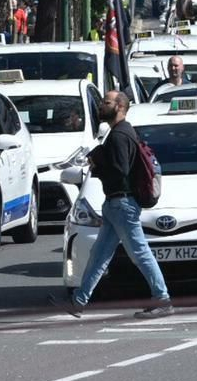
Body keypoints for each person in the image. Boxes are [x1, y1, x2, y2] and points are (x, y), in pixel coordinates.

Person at [49, 90, 173, 320]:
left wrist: (98, 166)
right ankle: (78, 301)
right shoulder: (122, 133)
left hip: (122, 204)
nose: (101, 106)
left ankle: (163, 299)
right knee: (99, 255)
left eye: (106, 102)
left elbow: (120, 171)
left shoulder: (119, 136)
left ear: (120, 107)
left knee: (140, 253)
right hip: (117, 204)